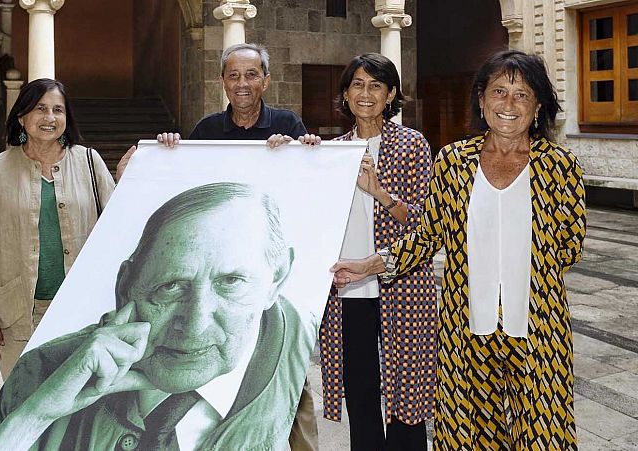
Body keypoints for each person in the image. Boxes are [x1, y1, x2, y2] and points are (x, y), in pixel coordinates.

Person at [331, 50, 586, 449]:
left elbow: (569, 247)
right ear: (481, 100)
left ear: (538, 105)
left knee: (544, 439)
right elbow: (428, 235)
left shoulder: (561, 167)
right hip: (465, 335)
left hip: (539, 334)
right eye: (499, 91)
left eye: (522, 94)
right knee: (470, 440)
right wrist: (371, 265)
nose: (508, 104)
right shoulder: (454, 162)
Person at [0, 182, 317, 451]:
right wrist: (35, 416)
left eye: (230, 282)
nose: (195, 325)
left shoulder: (293, 361)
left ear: (277, 278)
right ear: (125, 288)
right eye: (170, 286)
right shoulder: (43, 375)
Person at [117, 43, 320, 451]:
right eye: (233, 75)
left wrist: (307, 150)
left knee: (289, 387)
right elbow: (185, 192)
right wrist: (166, 154)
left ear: (265, 79)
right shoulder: (206, 130)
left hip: (256, 275)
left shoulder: (288, 123)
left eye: (251, 75)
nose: (242, 84)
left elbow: (309, 191)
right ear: (222, 81)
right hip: (216, 264)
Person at [315, 53, 437, 451]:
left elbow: (424, 222)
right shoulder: (331, 151)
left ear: (391, 95)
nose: (366, 94)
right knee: (361, 388)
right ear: (345, 94)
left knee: (407, 388)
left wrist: (379, 192)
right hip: (349, 288)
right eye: (358, 85)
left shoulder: (412, 145)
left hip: (400, 284)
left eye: (376, 86)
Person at [0, 78, 116, 380]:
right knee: (22, 401)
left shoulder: (90, 161)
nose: (50, 118)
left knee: (76, 407)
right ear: (22, 117)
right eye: (40, 109)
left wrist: (131, 180)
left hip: (83, 310)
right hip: (19, 313)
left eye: (58, 110)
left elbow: (116, 230)